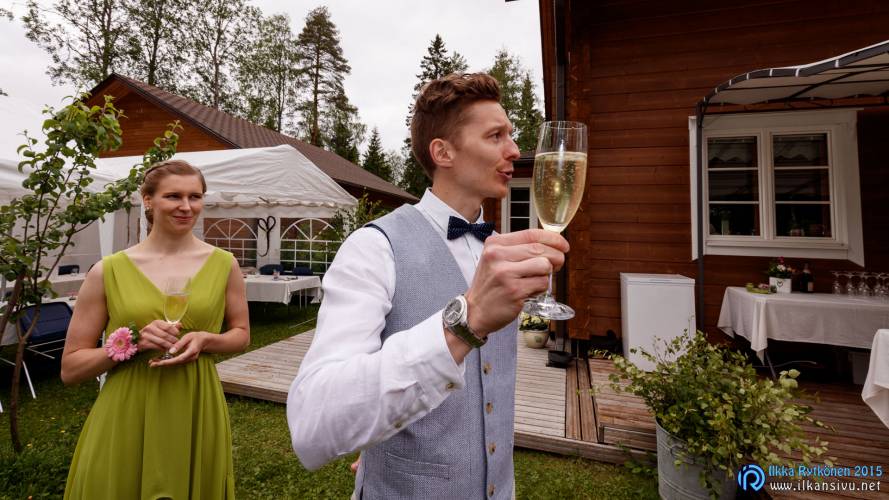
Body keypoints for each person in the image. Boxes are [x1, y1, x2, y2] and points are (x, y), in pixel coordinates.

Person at [286, 73, 569, 499]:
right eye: (496, 136)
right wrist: (465, 322)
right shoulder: (373, 248)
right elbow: (313, 426)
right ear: (443, 152)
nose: (514, 150)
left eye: (511, 135)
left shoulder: (500, 252)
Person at [61, 160, 250, 500]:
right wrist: (132, 342)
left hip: (196, 403)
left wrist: (207, 339)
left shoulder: (225, 264)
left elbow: (241, 334)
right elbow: (71, 368)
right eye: (173, 196)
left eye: (195, 196)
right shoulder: (107, 271)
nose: (186, 206)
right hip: (128, 407)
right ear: (147, 200)